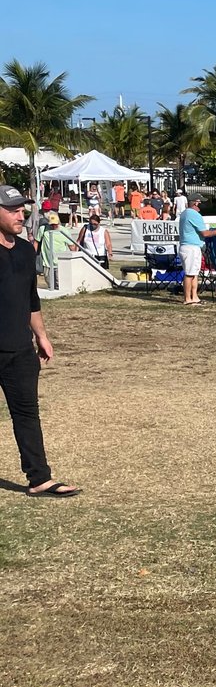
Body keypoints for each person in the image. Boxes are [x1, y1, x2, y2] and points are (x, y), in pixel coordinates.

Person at [0, 186, 79, 496]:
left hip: (20, 350)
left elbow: (31, 298)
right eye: (13, 210)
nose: (21, 215)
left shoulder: (23, 249)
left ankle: (39, 479)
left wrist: (42, 337)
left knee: (27, 414)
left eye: (23, 209)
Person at [178, 195, 216, 306]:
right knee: (190, 274)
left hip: (189, 246)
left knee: (194, 273)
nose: (202, 205)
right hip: (190, 247)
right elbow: (205, 233)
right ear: (195, 203)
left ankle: (194, 297)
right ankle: (187, 299)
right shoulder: (194, 214)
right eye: (201, 202)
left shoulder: (185, 213)